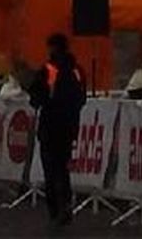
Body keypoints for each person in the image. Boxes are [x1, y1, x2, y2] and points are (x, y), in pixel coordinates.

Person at [28, 33, 86, 228]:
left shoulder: (48, 70)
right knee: (63, 168)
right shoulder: (77, 70)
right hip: (69, 126)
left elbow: (36, 98)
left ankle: (55, 210)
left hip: (50, 126)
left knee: (51, 170)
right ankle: (66, 205)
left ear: (52, 47)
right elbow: (82, 98)